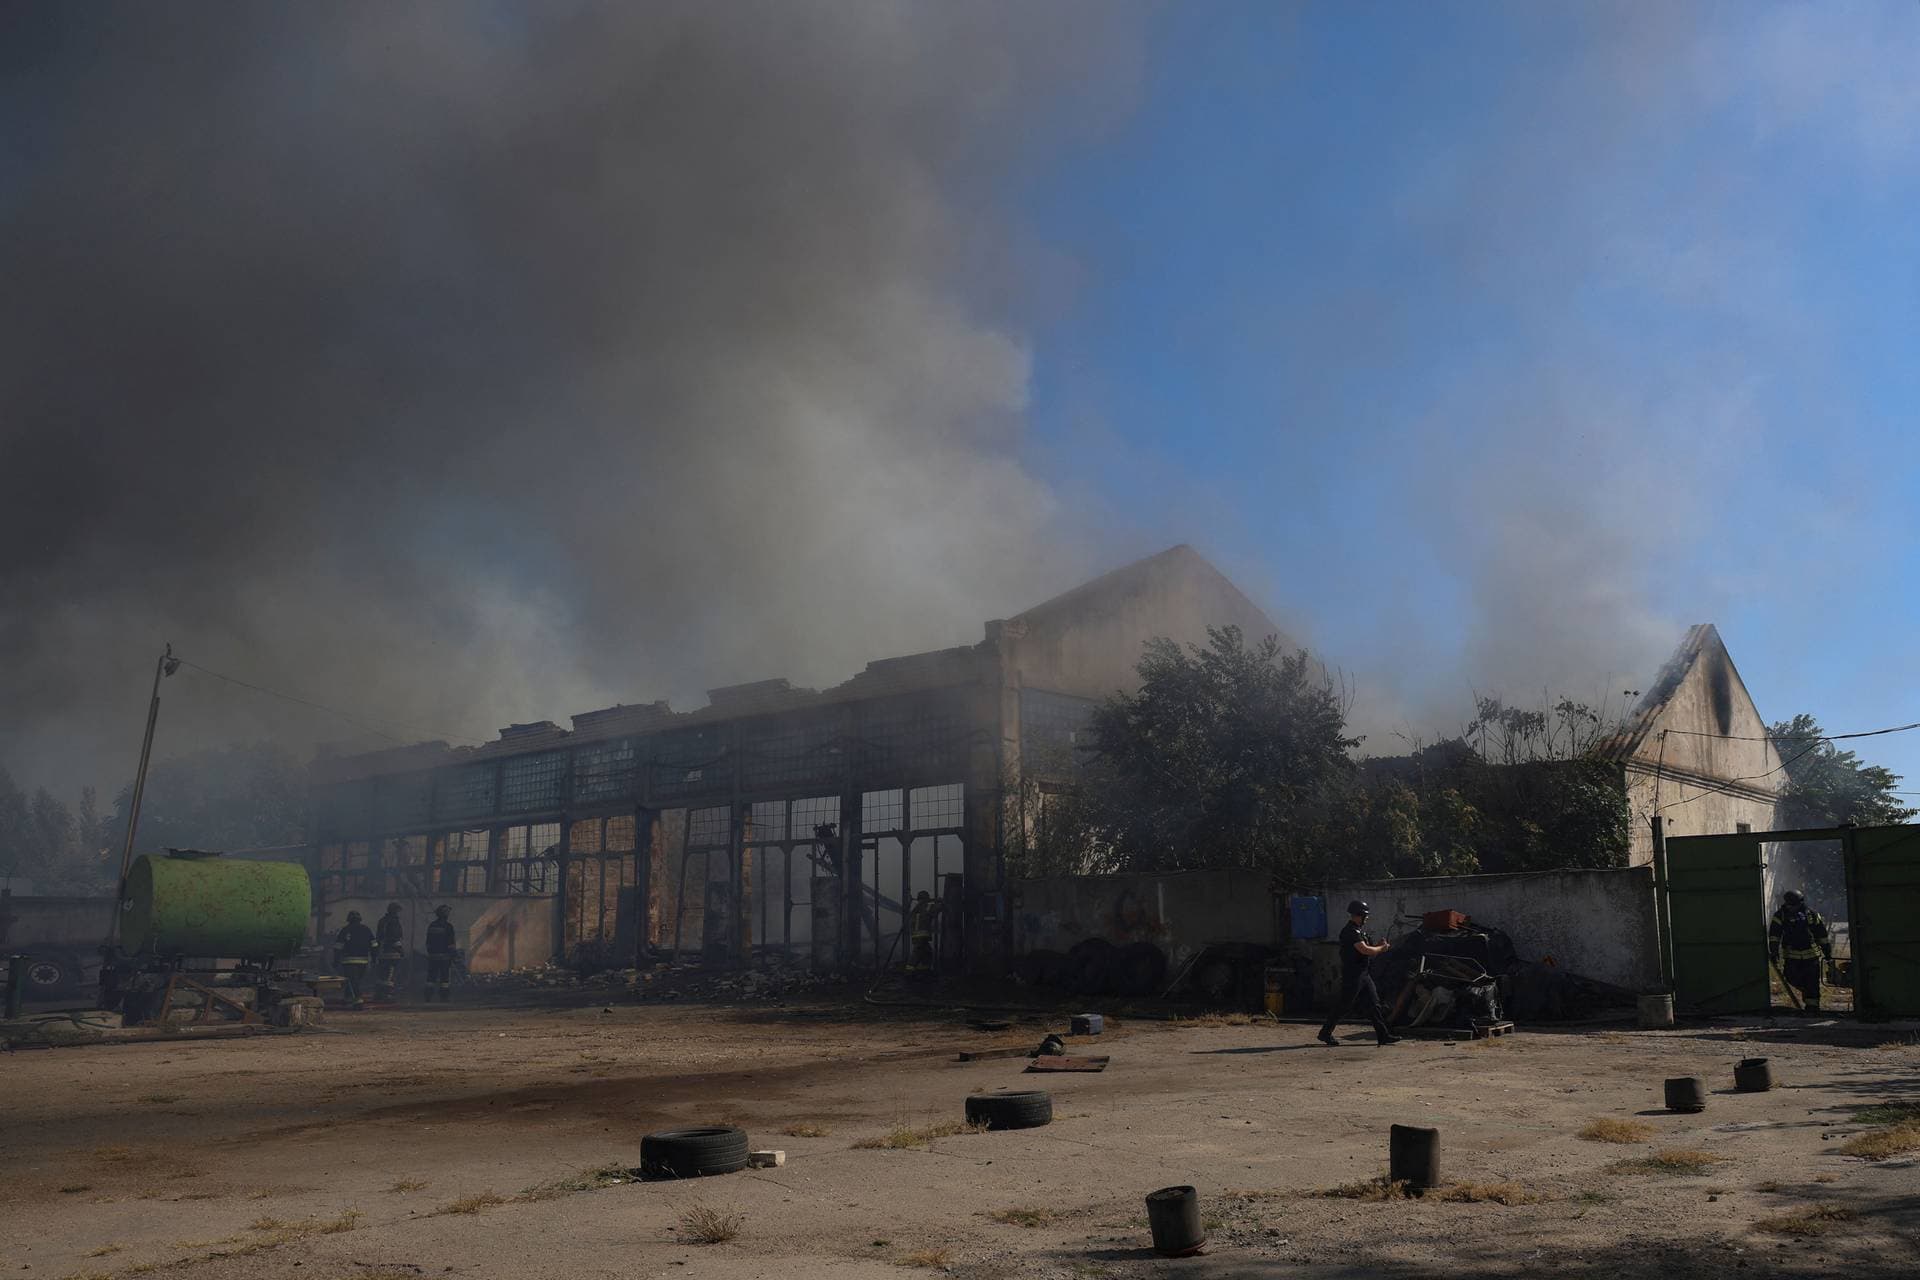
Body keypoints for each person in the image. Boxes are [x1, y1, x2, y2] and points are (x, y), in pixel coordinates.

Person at [1319, 900, 1401, 1046]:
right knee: (1344, 1005)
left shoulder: (1359, 931)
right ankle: (1325, 1033)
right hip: (1353, 974)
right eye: (1365, 915)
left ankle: (1383, 1035)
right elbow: (1365, 950)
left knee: (1374, 1004)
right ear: (1358, 915)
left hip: (1363, 973)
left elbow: (1369, 951)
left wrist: (1379, 946)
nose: (1367, 918)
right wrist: (1381, 949)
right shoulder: (1350, 932)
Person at [1769, 889, 1832, 1011]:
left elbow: (1821, 935)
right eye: (1789, 905)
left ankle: (1812, 1008)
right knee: (1791, 977)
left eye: (1794, 905)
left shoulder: (1812, 915)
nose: (1791, 908)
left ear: (1800, 902)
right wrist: (1774, 952)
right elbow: (1774, 936)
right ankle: (1808, 993)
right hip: (1792, 956)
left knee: (1812, 982)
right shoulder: (1780, 915)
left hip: (1811, 956)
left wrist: (1827, 953)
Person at [333, 910, 375, 1009]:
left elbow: (338, 947)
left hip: (348, 961)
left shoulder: (345, 930)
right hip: (363, 961)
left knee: (352, 980)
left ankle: (358, 1000)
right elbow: (374, 945)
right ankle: (348, 997)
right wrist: (374, 958)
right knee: (355, 980)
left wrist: (336, 960)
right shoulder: (366, 929)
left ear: (349, 920)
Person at [424, 905, 458, 1003]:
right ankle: (444, 997)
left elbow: (428, 943)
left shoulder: (432, 925)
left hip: (433, 957)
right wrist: (453, 955)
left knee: (431, 978)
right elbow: (451, 944)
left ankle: (428, 996)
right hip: (444, 957)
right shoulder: (448, 927)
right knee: (444, 979)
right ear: (445, 915)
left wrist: (431, 953)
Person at [373, 902, 406, 1001]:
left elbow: (379, 937)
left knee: (381, 974)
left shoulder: (382, 921)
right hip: (392, 953)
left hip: (382, 952)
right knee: (390, 975)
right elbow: (394, 937)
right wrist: (401, 950)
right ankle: (388, 995)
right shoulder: (393, 922)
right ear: (395, 911)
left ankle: (379, 994)